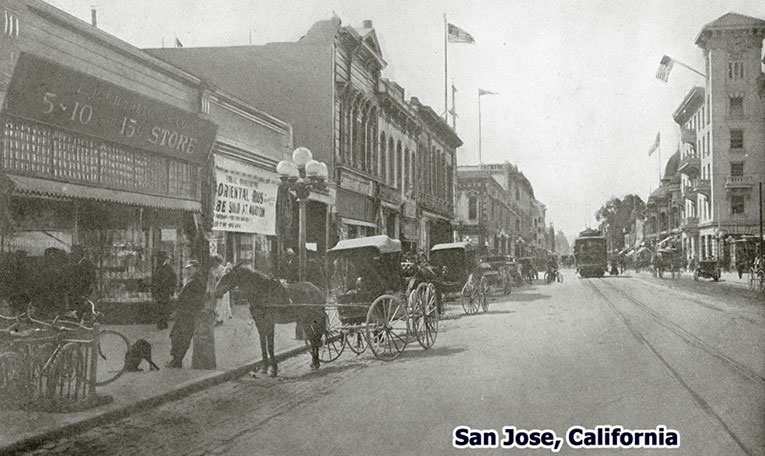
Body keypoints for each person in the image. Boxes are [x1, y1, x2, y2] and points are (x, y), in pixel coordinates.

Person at [168, 260, 205, 368]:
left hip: (188, 313)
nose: (188, 271)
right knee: (176, 335)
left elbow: (195, 299)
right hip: (183, 313)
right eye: (187, 269)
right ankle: (176, 359)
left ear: (197, 269)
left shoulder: (196, 282)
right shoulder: (191, 280)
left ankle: (177, 360)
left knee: (182, 337)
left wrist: (180, 299)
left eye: (191, 269)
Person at [151, 251, 177, 330]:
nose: (159, 260)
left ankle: (162, 324)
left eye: (160, 258)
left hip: (164, 291)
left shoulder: (168, 269)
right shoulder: (158, 268)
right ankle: (161, 324)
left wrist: (171, 292)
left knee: (163, 308)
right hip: (158, 292)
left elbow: (173, 281)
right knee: (159, 308)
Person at [68, 246, 96, 313]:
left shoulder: (87, 264)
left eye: (74, 253)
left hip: (85, 291)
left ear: (79, 254)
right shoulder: (76, 264)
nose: (72, 255)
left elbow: (90, 279)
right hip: (79, 291)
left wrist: (86, 291)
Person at [210, 255, 232, 326]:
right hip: (214, 288)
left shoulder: (222, 269)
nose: (215, 263)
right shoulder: (211, 269)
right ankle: (216, 318)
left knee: (221, 304)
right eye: (213, 262)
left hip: (221, 289)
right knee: (216, 303)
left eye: (216, 262)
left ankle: (220, 319)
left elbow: (224, 280)